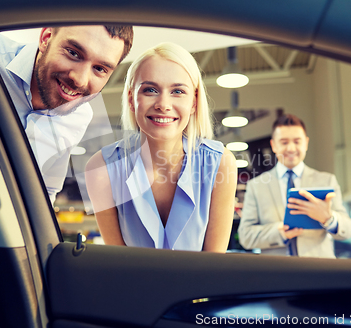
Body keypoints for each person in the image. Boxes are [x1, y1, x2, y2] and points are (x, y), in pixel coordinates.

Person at [85, 42, 237, 252]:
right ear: (131, 99)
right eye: (150, 90)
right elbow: (119, 265)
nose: (163, 104)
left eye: (177, 91)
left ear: (193, 102)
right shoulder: (101, 168)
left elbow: (215, 266)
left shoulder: (220, 163)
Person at [0, 25, 134, 203]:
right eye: (73, 53)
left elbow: (47, 188)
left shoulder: (79, 116)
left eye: (100, 69)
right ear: (46, 37)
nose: (80, 80)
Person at [238, 114, 351, 258]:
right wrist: (278, 231)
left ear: (306, 143)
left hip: (319, 272)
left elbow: (347, 230)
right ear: (273, 145)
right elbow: (245, 236)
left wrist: (328, 218)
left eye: (297, 141)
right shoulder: (256, 186)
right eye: (284, 142)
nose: (291, 148)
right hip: (275, 273)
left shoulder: (327, 180)